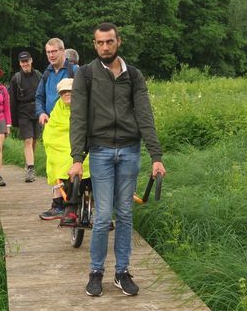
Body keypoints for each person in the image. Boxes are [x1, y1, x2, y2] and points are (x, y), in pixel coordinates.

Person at [68, 22, 166, 298]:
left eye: (109, 42)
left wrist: (156, 156)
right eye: (99, 43)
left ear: (118, 42)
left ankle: (122, 272)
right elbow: (78, 118)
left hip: (129, 152)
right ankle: (95, 273)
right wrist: (77, 158)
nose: (104, 47)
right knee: (101, 218)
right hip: (99, 152)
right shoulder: (85, 75)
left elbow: (145, 114)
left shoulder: (133, 76)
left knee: (124, 214)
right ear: (94, 44)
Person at [36, 38, 78, 219]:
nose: (51, 55)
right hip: (52, 125)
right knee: (53, 163)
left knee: (73, 161)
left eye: (54, 51)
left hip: (72, 124)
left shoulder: (74, 71)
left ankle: (74, 203)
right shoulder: (46, 74)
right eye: (48, 52)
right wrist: (41, 113)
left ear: (62, 51)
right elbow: (39, 97)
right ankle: (57, 204)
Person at [42, 78, 90, 223]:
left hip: (81, 147)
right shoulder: (57, 109)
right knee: (59, 161)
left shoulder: (85, 106)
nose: (67, 94)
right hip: (61, 147)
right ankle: (60, 205)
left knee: (86, 161)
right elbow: (52, 131)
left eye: (71, 91)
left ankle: (92, 207)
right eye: (64, 92)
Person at [9, 51, 42, 183]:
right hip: (23, 112)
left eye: (27, 61)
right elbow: (12, 101)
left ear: (31, 60)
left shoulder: (39, 75)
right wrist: (13, 121)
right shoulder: (16, 79)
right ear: (19, 63)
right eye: (22, 62)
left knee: (34, 141)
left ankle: (28, 163)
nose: (25, 64)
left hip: (38, 111)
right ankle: (30, 169)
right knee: (28, 140)